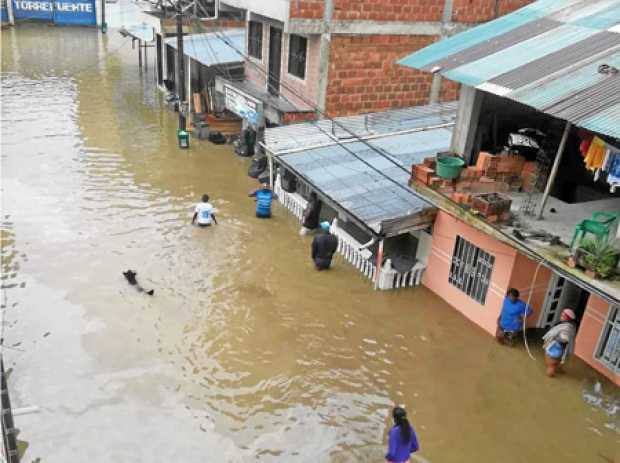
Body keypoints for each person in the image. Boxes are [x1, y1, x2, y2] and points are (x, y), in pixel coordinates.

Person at [542, 308, 577, 377]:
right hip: (558, 349)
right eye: (561, 315)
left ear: (568, 318)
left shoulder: (567, 328)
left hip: (555, 348)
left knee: (551, 366)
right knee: (554, 364)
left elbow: (564, 339)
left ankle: (550, 378)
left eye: (563, 316)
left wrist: (554, 339)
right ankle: (557, 369)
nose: (560, 316)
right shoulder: (568, 326)